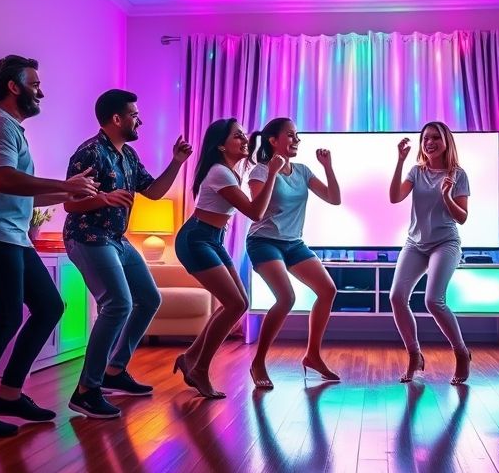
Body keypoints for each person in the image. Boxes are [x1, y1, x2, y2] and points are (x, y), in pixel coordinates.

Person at [0, 55, 99, 437]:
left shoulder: (11, 128)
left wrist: (71, 195)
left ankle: (10, 393)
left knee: (49, 306)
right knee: (6, 319)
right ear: (14, 87)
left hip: (11, 235)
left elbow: (21, 195)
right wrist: (66, 186)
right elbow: (4, 180)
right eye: (34, 84)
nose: (41, 91)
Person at [63, 89, 193, 418]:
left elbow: (153, 191)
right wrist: (104, 199)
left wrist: (177, 162)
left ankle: (114, 371)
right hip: (88, 236)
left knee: (149, 299)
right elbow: (69, 203)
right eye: (135, 115)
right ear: (117, 119)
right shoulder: (89, 153)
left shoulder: (129, 156)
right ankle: (86, 390)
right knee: (118, 303)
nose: (140, 120)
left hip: (116, 239)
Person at [173, 118, 284, 398]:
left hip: (213, 239)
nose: (244, 140)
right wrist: (271, 174)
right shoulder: (219, 172)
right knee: (235, 304)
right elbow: (255, 213)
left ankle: (189, 358)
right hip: (196, 239)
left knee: (240, 303)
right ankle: (198, 369)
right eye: (237, 136)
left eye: (245, 135)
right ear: (221, 144)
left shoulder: (230, 172)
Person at [245, 118, 342, 389]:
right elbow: (257, 211)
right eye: (290, 135)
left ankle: (312, 355)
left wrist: (328, 167)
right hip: (264, 241)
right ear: (273, 141)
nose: (296, 139)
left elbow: (334, 199)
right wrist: (273, 173)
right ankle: (258, 362)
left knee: (327, 289)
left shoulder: (302, 171)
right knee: (286, 297)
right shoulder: (260, 171)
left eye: (297, 135)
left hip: (293, 242)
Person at [388, 121, 472, 385]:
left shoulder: (458, 174)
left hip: (445, 243)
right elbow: (394, 198)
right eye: (425, 138)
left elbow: (462, 218)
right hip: (415, 243)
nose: (429, 142)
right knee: (396, 297)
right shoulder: (416, 171)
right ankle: (414, 354)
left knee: (433, 301)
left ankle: (461, 352)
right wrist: (400, 160)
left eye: (435, 137)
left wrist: (446, 195)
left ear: (446, 141)